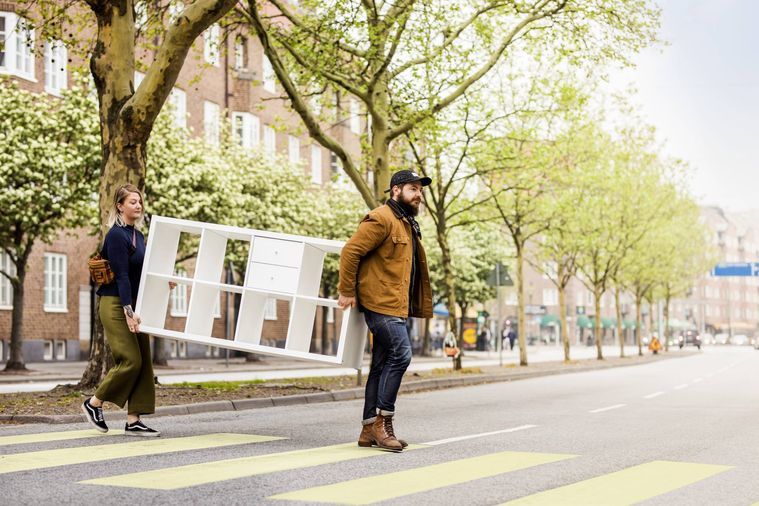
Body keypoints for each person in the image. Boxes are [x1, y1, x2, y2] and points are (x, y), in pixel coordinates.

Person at [338, 169, 433, 452]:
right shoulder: (381, 218)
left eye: (420, 190)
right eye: (413, 189)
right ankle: (383, 422)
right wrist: (346, 291)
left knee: (380, 365)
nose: (419, 195)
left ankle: (368, 429)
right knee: (402, 355)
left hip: (396, 304)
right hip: (380, 303)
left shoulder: (405, 223)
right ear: (396, 191)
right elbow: (351, 252)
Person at [82, 184, 164, 436]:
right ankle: (94, 403)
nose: (138, 206)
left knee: (143, 364)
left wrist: (164, 282)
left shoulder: (138, 236)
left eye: (139, 202)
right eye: (132, 202)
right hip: (116, 304)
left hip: (134, 305)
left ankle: (133, 419)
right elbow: (122, 277)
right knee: (130, 360)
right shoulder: (116, 235)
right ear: (120, 206)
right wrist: (129, 311)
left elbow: (143, 272)